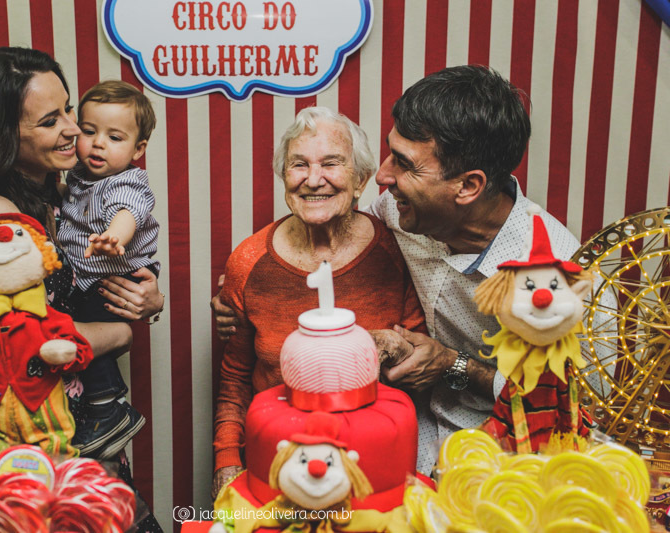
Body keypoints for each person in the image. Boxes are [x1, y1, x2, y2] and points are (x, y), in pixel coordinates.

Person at [213, 66, 584, 474]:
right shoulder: (398, 211)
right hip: (405, 455)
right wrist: (240, 291)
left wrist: (453, 366)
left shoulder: (559, 277)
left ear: (468, 187)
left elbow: (578, 409)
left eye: (405, 165)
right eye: (391, 153)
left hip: (503, 466)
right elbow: (337, 234)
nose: (383, 177)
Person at [0, 47, 163, 531]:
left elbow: (87, 280)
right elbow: (27, 341)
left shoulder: (59, 189)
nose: (74, 129)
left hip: (69, 428)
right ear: (1, 136)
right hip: (26, 441)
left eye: (68, 108)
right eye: (51, 120)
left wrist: (146, 297)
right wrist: (122, 334)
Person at [210, 107, 427, 499]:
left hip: (373, 472)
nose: (313, 180)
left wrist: (393, 349)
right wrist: (227, 462)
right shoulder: (248, 260)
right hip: (278, 468)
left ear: (361, 180)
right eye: (298, 165)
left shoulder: (396, 251)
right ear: (283, 178)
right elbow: (234, 378)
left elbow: (422, 363)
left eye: (331, 163)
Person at [57, 80, 161, 460]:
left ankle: (108, 408)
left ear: (138, 149)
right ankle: (106, 405)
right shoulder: (78, 178)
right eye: (89, 131)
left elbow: (127, 211)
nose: (98, 143)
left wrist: (114, 237)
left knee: (87, 331)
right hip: (92, 273)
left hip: (116, 273)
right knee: (84, 331)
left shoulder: (125, 181)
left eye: (114, 137)